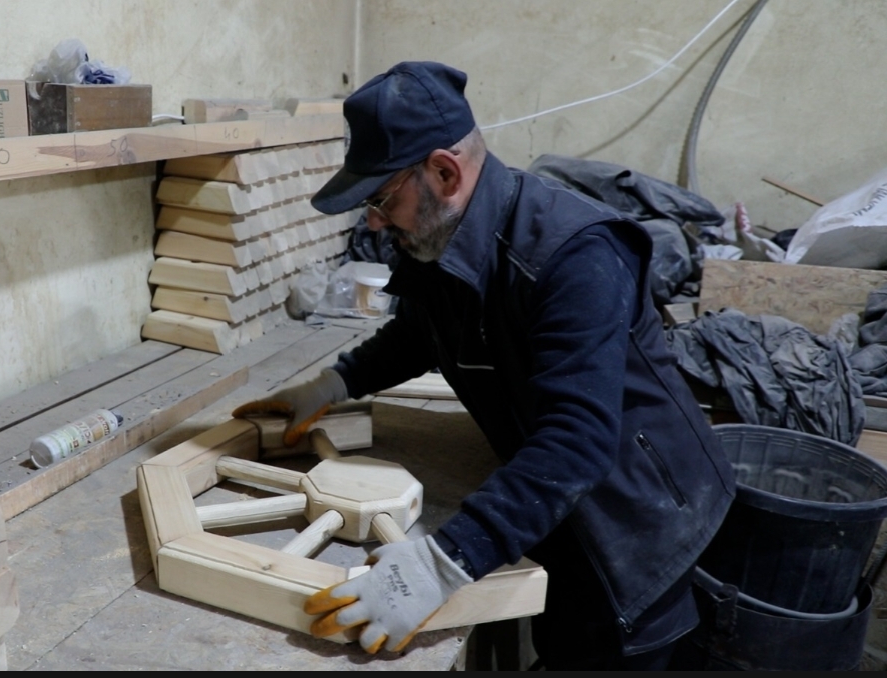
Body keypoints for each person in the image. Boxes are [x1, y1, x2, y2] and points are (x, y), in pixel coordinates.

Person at [233, 61, 736, 669]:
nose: (372, 220)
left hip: (633, 521)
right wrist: (337, 381)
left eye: (381, 197)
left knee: (600, 651)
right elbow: (425, 329)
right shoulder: (446, 232)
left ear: (444, 171)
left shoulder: (576, 255)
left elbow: (577, 443)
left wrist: (444, 562)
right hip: (556, 497)